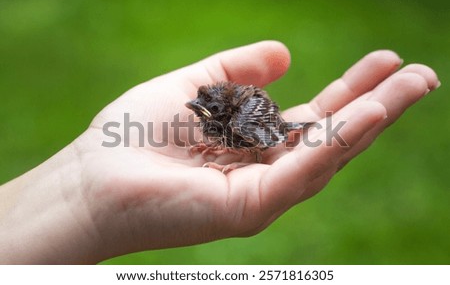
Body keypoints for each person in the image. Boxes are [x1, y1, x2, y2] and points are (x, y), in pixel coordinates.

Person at [0, 41, 440, 264]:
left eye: (203, 111)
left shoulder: (244, 121)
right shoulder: (213, 114)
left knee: (252, 140)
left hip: (262, 134)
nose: (193, 111)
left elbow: (262, 142)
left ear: (221, 111)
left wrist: (235, 155)